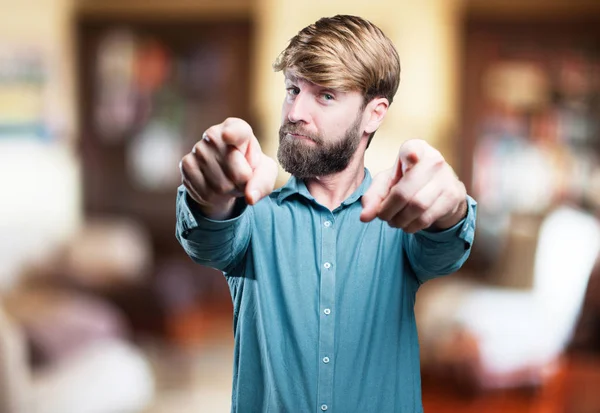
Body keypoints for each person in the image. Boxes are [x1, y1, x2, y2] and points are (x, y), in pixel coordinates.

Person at [176, 14, 477, 413]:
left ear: (374, 113)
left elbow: (447, 246)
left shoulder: (400, 219)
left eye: (326, 95)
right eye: (293, 89)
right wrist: (209, 194)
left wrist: (451, 205)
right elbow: (208, 237)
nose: (296, 110)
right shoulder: (253, 216)